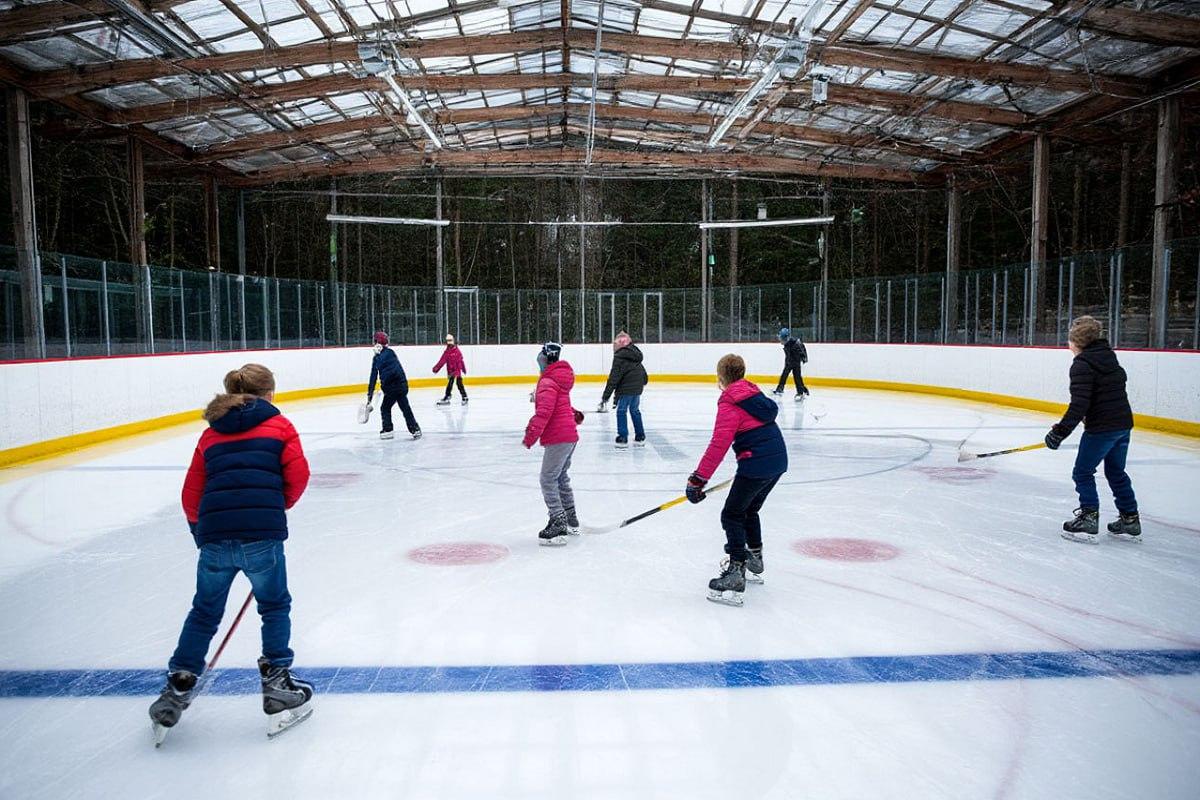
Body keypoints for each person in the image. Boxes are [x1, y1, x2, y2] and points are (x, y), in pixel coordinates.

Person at [150, 364, 313, 742]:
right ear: (270, 394)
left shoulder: (210, 435)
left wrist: (204, 533)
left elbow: (191, 495)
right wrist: (274, 510)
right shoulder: (281, 427)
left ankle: (178, 684)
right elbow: (298, 477)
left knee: (204, 612)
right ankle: (277, 685)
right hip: (261, 536)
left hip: (215, 538)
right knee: (274, 605)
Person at [686, 354, 788, 607]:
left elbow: (719, 444)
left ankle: (735, 572)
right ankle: (754, 557)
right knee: (749, 510)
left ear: (720, 377)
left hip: (757, 464)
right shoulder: (754, 394)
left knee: (732, 514)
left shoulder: (730, 401)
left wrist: (698, 480)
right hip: (777, 462)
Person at [1044, 315, 1140, 544]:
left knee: (1082, 472)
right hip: (1122, 425)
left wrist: (1059, 431)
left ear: (1077, 342)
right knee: (1116, 472)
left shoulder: (1082, 364)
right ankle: (1130, 519)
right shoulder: (1108, 357)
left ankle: (1089, 517)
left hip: (1102, 429)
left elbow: (1079, 404)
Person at [523, 342, 584, 545]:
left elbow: (544, 413)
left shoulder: (547, 381)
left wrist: (530, 436)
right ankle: (571, 520)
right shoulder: (558, 377)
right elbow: (559, 404)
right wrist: (574, 415)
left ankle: (558, 524)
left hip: (559, 437)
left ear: (545, 360)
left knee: (548, 479)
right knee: (560, 478)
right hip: (569, 435)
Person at [598, 331, 649, 448]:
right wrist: (642, 383)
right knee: (635, 410)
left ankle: (623, 437)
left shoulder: (619, 356)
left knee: (621, 411)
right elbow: (643, 372)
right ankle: (640, 435)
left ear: (619, 344)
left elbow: (613, 378)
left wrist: (605, 397)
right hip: (637, 389)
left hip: (626, 389)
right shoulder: (635, 354)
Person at [367, 331, 421, 440]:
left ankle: (388, 430)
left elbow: (373, 377)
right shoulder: (391, 353)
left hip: (391, 389)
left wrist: (370, 395)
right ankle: (415, 429)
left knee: (385, 408)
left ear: (377, 343)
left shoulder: (377, 358)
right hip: (402, 386)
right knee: (405, 407)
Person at [772, 327, 809, 400]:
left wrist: (804, 358)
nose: (780, 341)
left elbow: (802, 349)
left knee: (797, 377)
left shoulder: (795, 343)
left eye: (781, 338)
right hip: (789, 362)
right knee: (784, 375)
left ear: (785, 338)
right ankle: (780, 389)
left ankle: (801, 392)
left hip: (795, 362)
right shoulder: (787, 343)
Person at [434, 333, 468, 406]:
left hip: (456, 370)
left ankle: (463, 396)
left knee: (458, 383)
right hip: (451, 371)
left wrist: (463, 368)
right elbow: (442, 361)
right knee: (451, 383)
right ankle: (450, 396)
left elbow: (461, 361)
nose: (449, 343)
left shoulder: (457, 351)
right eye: (448, 341)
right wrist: (436, 368)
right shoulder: (447, 352)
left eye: (450, 341)